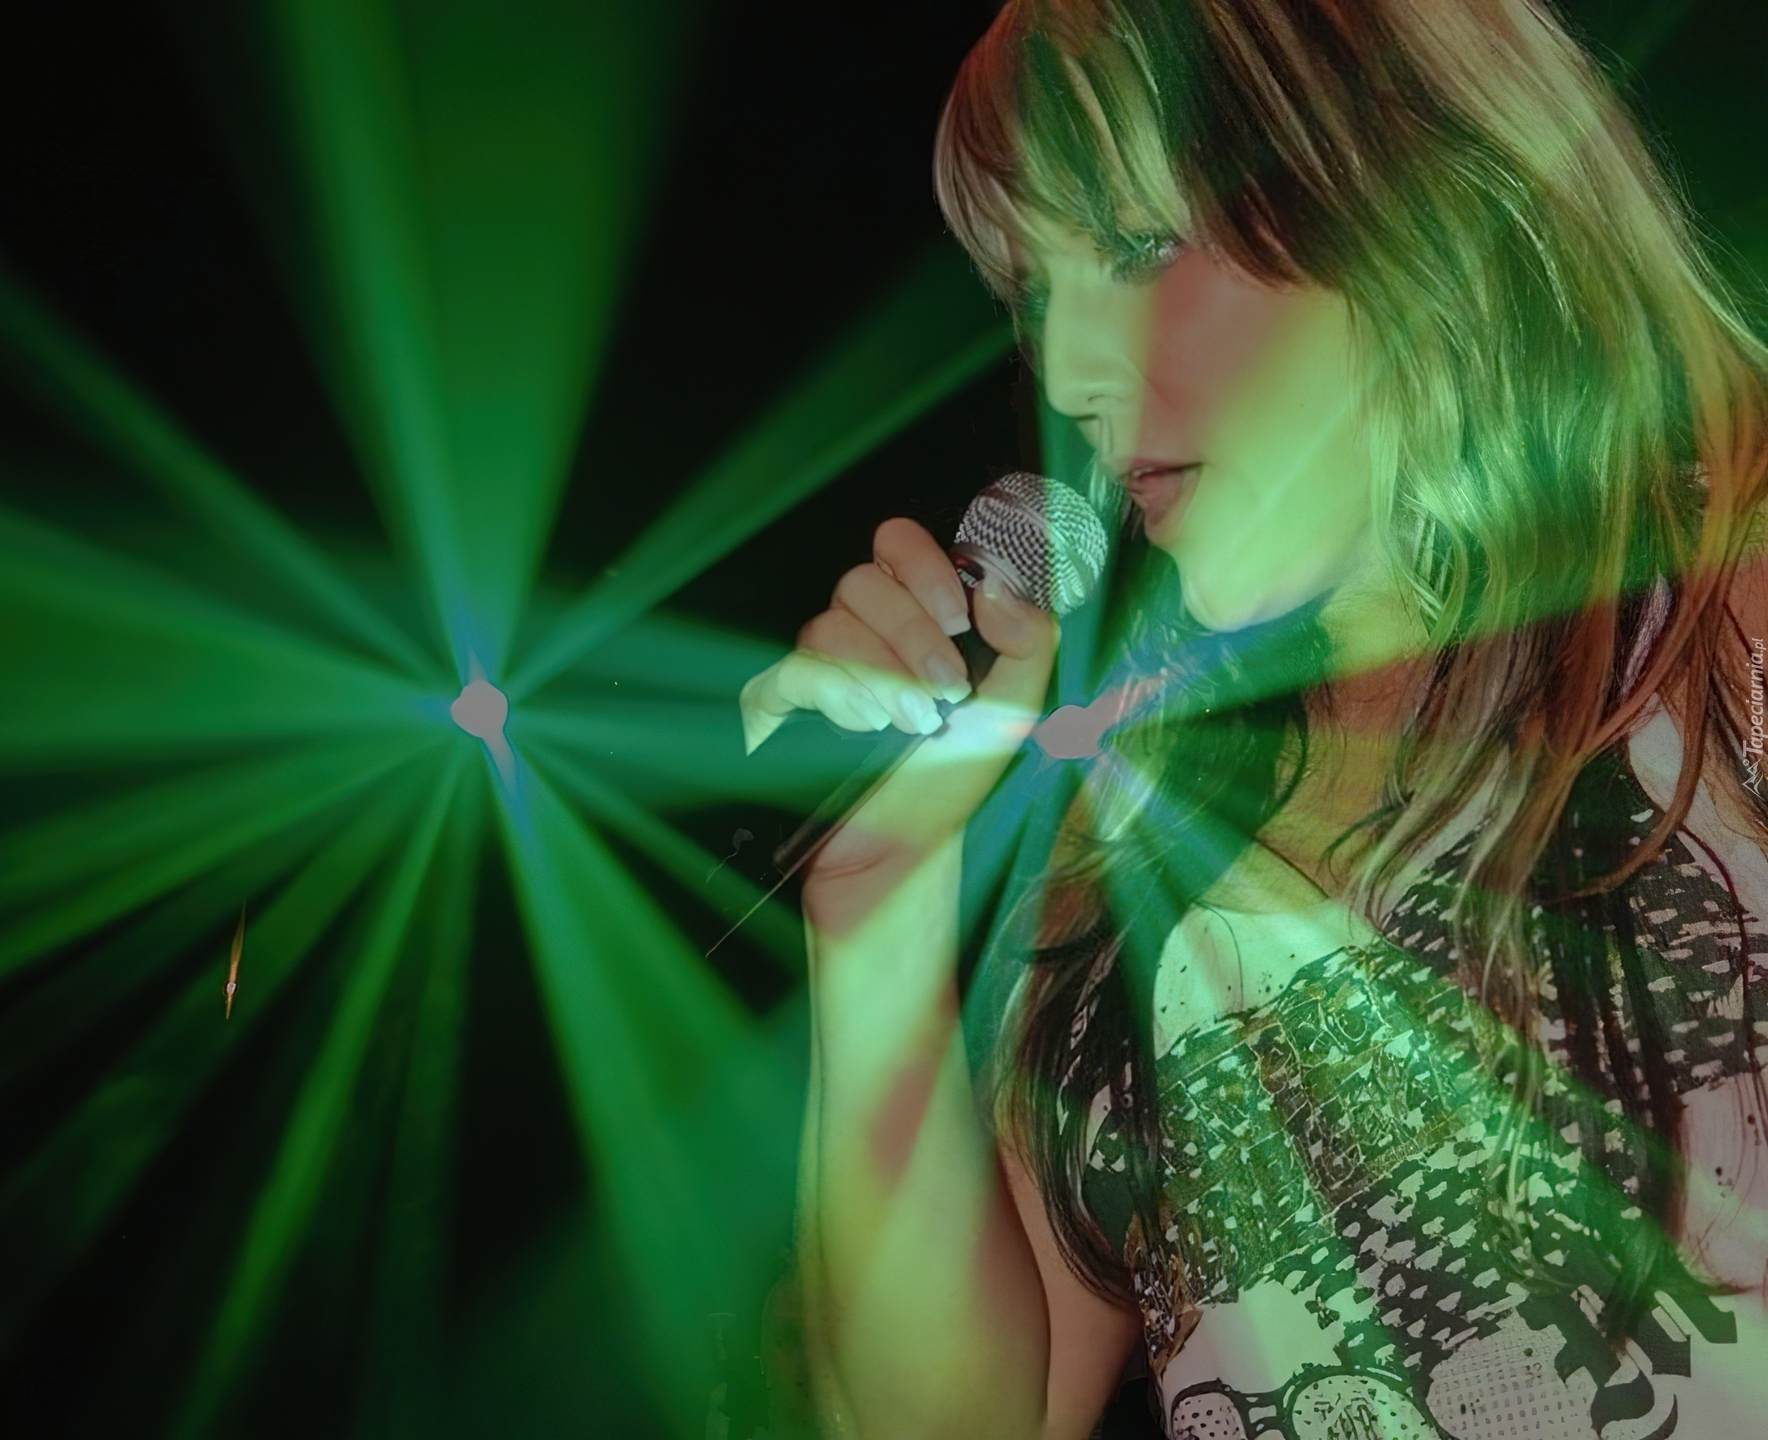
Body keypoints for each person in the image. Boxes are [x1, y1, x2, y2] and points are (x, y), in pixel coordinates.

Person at [738, 1, 1768, 1437]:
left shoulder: (1725, 611)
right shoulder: (1142, 817)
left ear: (1404, 179)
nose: (1070, 375)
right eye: (1033, 293)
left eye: (1139, 249)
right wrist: (877, 922)